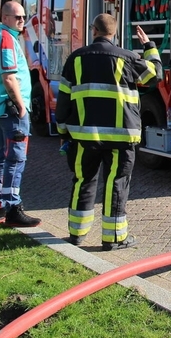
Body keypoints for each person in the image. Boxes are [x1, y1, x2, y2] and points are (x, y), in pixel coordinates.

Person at [56, 13, 163, 250]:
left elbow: (63, 101)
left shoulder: (75, 59)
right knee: (116, 184)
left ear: (93, 30)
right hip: (121, 138)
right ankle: (113, 238)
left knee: (83, 181)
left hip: (84, 137)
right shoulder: (127, 58)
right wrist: (149, 46)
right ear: (114, 34)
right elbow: (156, 74)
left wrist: (63, 132)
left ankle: (76, 235)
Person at [0, 1, 41, 228]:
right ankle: (13, 208)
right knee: (16, 159)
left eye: (23, 16)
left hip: (0, 108)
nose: (22, 21)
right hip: (11, 109)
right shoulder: (6, 39)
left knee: (1, 157)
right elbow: (9, 77)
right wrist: (20, 105)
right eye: (17, 17)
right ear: (5, 17)